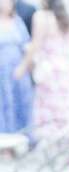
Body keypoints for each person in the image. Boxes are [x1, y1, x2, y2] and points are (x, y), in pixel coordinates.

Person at [15, 0, 69, 144]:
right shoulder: (66, 18)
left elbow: (36, 45)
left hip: (49, 73)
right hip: (67, 71)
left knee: (49, 122)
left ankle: (53, 156)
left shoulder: (41, 16)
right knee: (65, 114)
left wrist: (22, 68)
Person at [0, 0, 32, 135]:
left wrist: (24, 67)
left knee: (21, 104)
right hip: (2, 72)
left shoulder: (17, 22)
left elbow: (27, 47)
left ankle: (23, 136)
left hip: (18, 71)